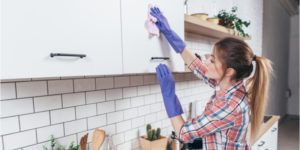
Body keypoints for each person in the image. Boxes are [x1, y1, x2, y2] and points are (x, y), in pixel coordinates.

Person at [150, 7, 273, 150]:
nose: (206, 61)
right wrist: (169, 33)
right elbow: (196, 65)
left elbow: (183, 133)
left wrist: (168, 95)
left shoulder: (230, 105)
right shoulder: (227, 85)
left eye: (213, 60)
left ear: (229, 71)